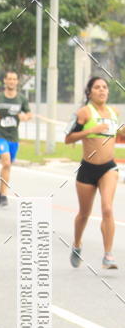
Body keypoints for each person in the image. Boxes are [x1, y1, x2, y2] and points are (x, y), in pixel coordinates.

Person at [64, 76, 124, 269]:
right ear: (89, 92)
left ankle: (108, 255)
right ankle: (77, 244)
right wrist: (92, 130)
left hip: (108, 167)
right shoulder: (83, 113)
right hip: (87, 169)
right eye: (97, 87)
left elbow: (118, 135)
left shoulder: (114, 112)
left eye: (105, 87)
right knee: (84, 213)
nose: (102, 90)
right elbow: (68, 138)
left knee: (107, 208)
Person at [0, 70, 31, 207]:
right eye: (9, 79)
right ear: (5, 81)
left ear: (17, 82)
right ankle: (4, 196)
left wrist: (25, 117)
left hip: (13, 137)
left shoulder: (21, 99)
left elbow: (29, 114)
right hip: (0, 135)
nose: (12, 81)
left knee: (7, 167)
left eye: (14, 79)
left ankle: (0, 192)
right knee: (6, 163)